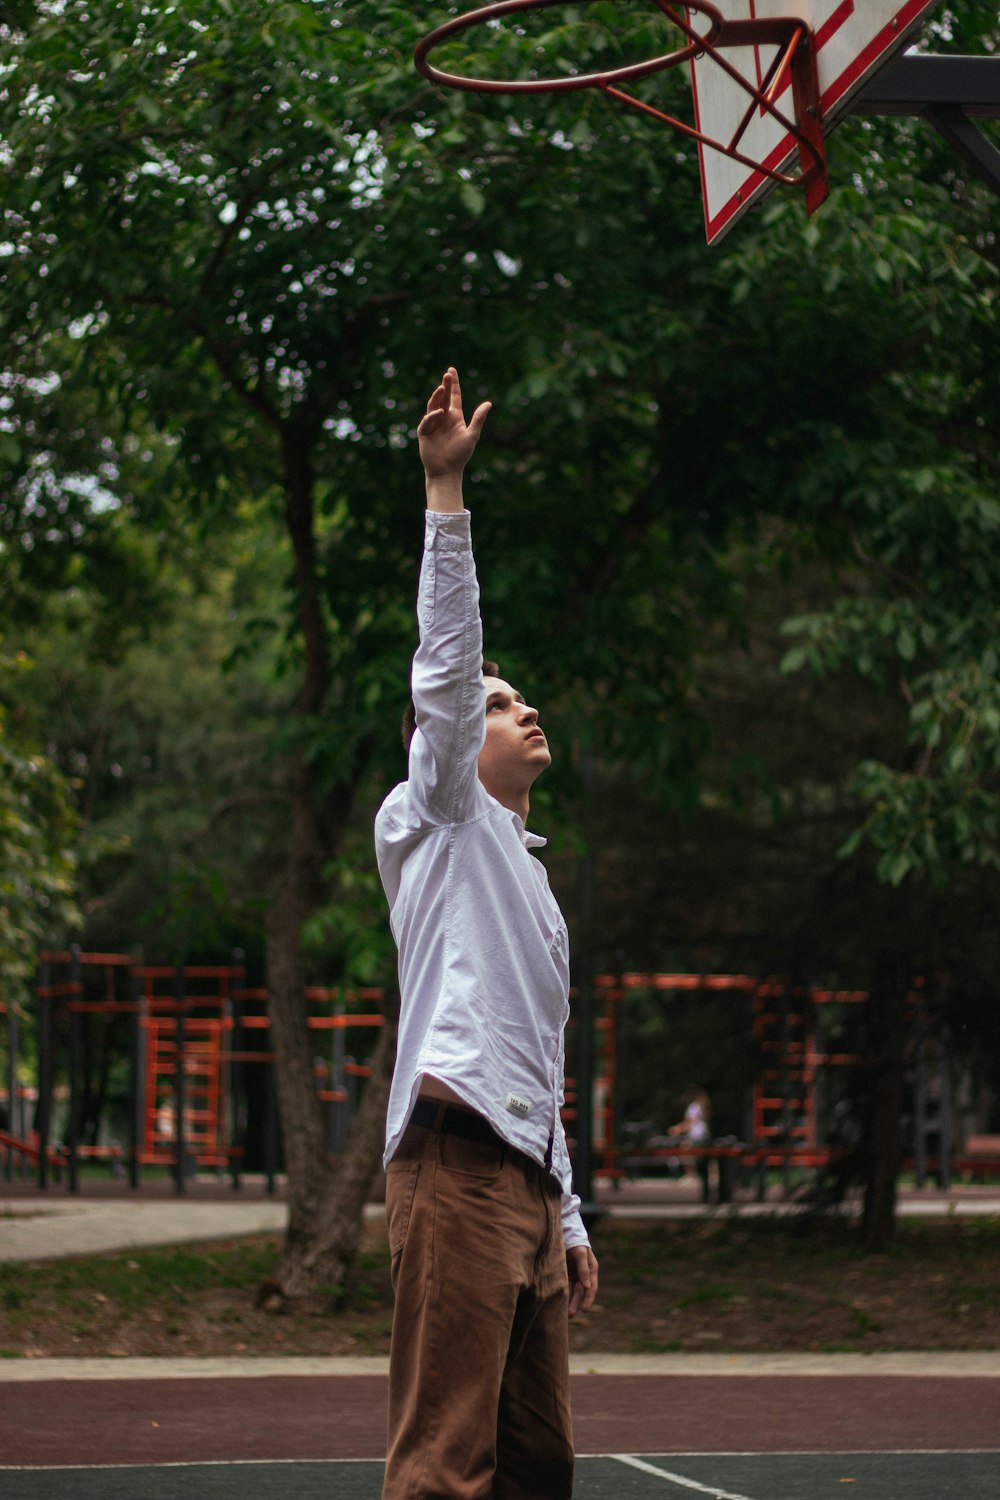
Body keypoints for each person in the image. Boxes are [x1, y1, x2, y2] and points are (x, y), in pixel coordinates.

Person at [374, 367, 598, 1500]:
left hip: (524, 1190)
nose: (524, 710)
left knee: (538, 1467)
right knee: (443, 1469)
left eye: (521, 700)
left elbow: (536, 1059)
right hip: (453, 1172)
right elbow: (448, 667)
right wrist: (444, 494)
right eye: (505, 705)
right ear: (452, 739)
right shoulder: (435, 816)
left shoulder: (531, 884)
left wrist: (569, 1213)